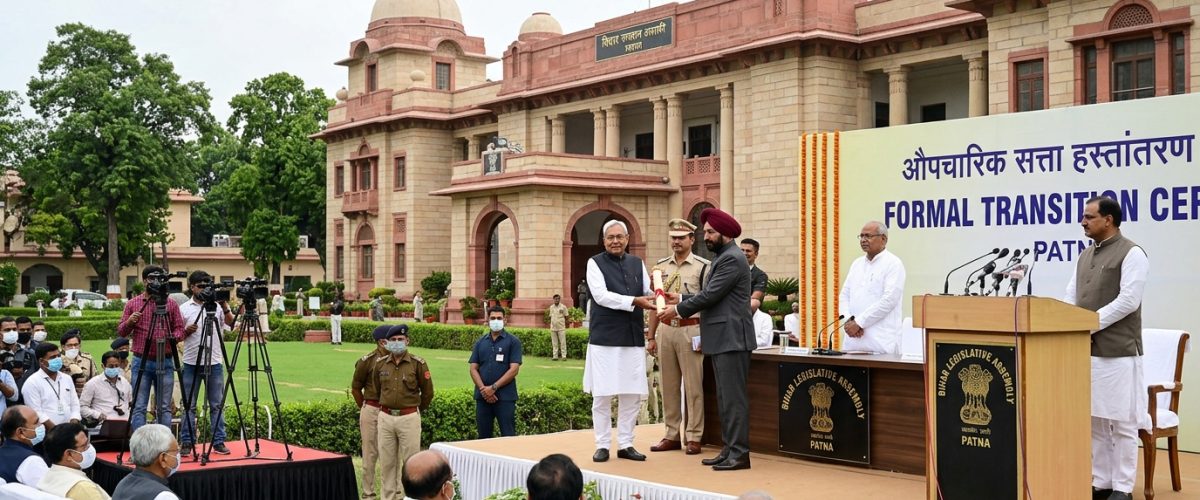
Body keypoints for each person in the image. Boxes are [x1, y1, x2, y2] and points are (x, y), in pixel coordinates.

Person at [1062, 196, 1149, 500]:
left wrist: (1090, 323)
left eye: (1089, 217)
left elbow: (1128, 301)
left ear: (1108, 220)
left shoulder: (1132, 253)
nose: (1083, 222)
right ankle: (1102, 482)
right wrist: (1069, 323)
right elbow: (1071, 296)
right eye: (1084, 217)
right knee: (1095, 420)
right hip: (1086, 351)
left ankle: (1123, 488)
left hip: (1119, 352)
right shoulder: (1085, 255)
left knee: (1122, 423)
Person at [658, 208, 755, 471]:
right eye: (706, 232)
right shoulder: (724, 257)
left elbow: (711, 295)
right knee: (724, 399)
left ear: (725, 233)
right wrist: (680, 298)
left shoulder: (731, 259)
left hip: (732, 338)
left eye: (711, 232)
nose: (706, 237)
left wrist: (678, 309)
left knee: (733, 400)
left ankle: (739, 454)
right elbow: (713, 294)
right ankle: (729, 450)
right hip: (723, 338)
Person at [584, 219, 654, 463]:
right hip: (604, 338)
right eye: (610, 237)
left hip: (632, 336)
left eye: (619, 237)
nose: (615, 241)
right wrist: (634, 301)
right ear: (604, 241)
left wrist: (661, 293)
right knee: (602, 395)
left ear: (627, 239)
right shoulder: (594, 263)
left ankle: (626, 443)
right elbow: (601, 296)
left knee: (631, 394)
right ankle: (602, 444)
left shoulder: (637, 263)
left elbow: (648, 292)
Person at [646, 218, 709, 456]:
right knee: (668, 385)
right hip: (666, 329)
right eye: (673, 238)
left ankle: (694, 436)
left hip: (691, 329)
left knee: (693, 386)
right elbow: (655, 304)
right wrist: (651, 336)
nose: (676, 242)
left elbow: (708, 301)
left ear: (692, 239)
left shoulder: (703, 267)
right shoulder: (660, 267)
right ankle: (671, 434)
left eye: (681, 238)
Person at [118, 265, 186, 433]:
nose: (155, 282)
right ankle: (139, 442)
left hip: (165, 360)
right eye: (151, 278)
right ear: (144, 281)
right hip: (142, 359)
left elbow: (180, 329)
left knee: (164, 407)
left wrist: (172, 338)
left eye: (159, 278)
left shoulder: (170, 304)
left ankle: (163, 442)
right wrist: (130, 322)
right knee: (139, 405)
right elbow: (121, 332)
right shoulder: (133, 303)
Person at [177, 271, 234, 457]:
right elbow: (176, 334)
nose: (204, 290)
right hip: (191, 363)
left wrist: (224, 305)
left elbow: (231, 324)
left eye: (207, 286)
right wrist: (186, 331)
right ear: (192, 287)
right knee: (189, 405)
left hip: (214, 362)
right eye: (200, 286)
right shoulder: (184, 308)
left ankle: (218, 441)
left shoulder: (216, 307)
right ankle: (187, 441)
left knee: (216, 405)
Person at [376, 324, 434, 499]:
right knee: (387, 463)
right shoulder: (380, 364)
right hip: (385, 418)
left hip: (408, 418)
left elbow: (428, 393)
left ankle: (408, 497)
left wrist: (414, 410)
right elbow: (378, 390)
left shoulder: (418, 364)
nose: (397, 342)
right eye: (393, 340)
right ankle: (388, 497)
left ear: (407, 341)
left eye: (400, 339)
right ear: (387, 343)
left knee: (411, 463)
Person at [838, 221, 906, 355]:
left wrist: (859, 323)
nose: (863, 240)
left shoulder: (893, 264)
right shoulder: (857, 264)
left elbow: (889, 300)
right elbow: (844, 296)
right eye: (861, 236)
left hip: (881, 344)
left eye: (868, 236)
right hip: (853, 342)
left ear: (883, 239)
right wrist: (849, 321)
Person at [351, 325, 392, 500]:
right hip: (372, 409)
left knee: (391, 455)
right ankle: (368, 494)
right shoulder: (366, 361)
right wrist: (366, 408)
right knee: (370, 454)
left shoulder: (398, 360)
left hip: (391, 411)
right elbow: (355, 389)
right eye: (392, 339)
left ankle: (391, 494)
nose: (396, 341)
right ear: (382, 342)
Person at [469, 306, 523, 438]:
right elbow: (473, 368)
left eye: (499, 318)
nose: (496, 321)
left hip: (505, 397)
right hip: (483, 398)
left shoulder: (513, 342)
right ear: (487, 320)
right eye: (493, 318)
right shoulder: (480, 342)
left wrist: (493, 388)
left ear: (505, 320)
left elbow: (514, 369)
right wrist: (484, 390)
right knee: (483, 437)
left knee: (508, 436)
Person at [36, 422, 110, 500]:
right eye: (84, 446)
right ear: (69, 454)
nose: (90, 448)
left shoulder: (46, 478)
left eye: (88, 443)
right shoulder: (84, 488)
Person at [111, 423, 182, 500]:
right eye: (176, 451)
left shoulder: (123, 484)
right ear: (163, 459)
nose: (178, 455)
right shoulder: (164, 496)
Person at [23, 343, 82, 432]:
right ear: (41, 361)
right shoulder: (32, 383)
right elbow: (36, 412)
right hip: (48, 432)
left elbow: (75, 403)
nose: (57, 359)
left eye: (58, 356)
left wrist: (74, 421)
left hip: (70, 431)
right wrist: (56, 431)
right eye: (53, 357)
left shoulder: (67, 378)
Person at [0, 406, 50, 486]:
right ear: (21, 432)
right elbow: (48, 491)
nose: (41, 425)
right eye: (36, 423)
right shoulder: (32, 461)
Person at [80, 351, 132, 423]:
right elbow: (82, 408)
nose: (114, 368)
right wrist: (97, 415)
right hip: (102, 424)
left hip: (125, 423)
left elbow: (130, 402)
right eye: (111, 366)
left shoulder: (124, 382)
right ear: (103, 366)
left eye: (116, 366)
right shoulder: (92, 384)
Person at [740, 238, 768, 311]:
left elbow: (755, 299)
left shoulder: (760, 276)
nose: (744, 253)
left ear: (756, 254)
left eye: (748, 251)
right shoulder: (730, 270)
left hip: (748, 314)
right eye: (742, 250)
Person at [545, 295, 570, 360]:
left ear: (559, 299)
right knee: (554, 343)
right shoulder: (551, 307)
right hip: (553, 328)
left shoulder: (563, 307)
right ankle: (555, 356)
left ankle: (564, 356)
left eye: (558, 299)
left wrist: (567, 324)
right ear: (553, 300)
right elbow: (550, 316)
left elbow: (566, 316)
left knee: (563, 342)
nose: (556, 300)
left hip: (561, 327)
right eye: (555, 299)